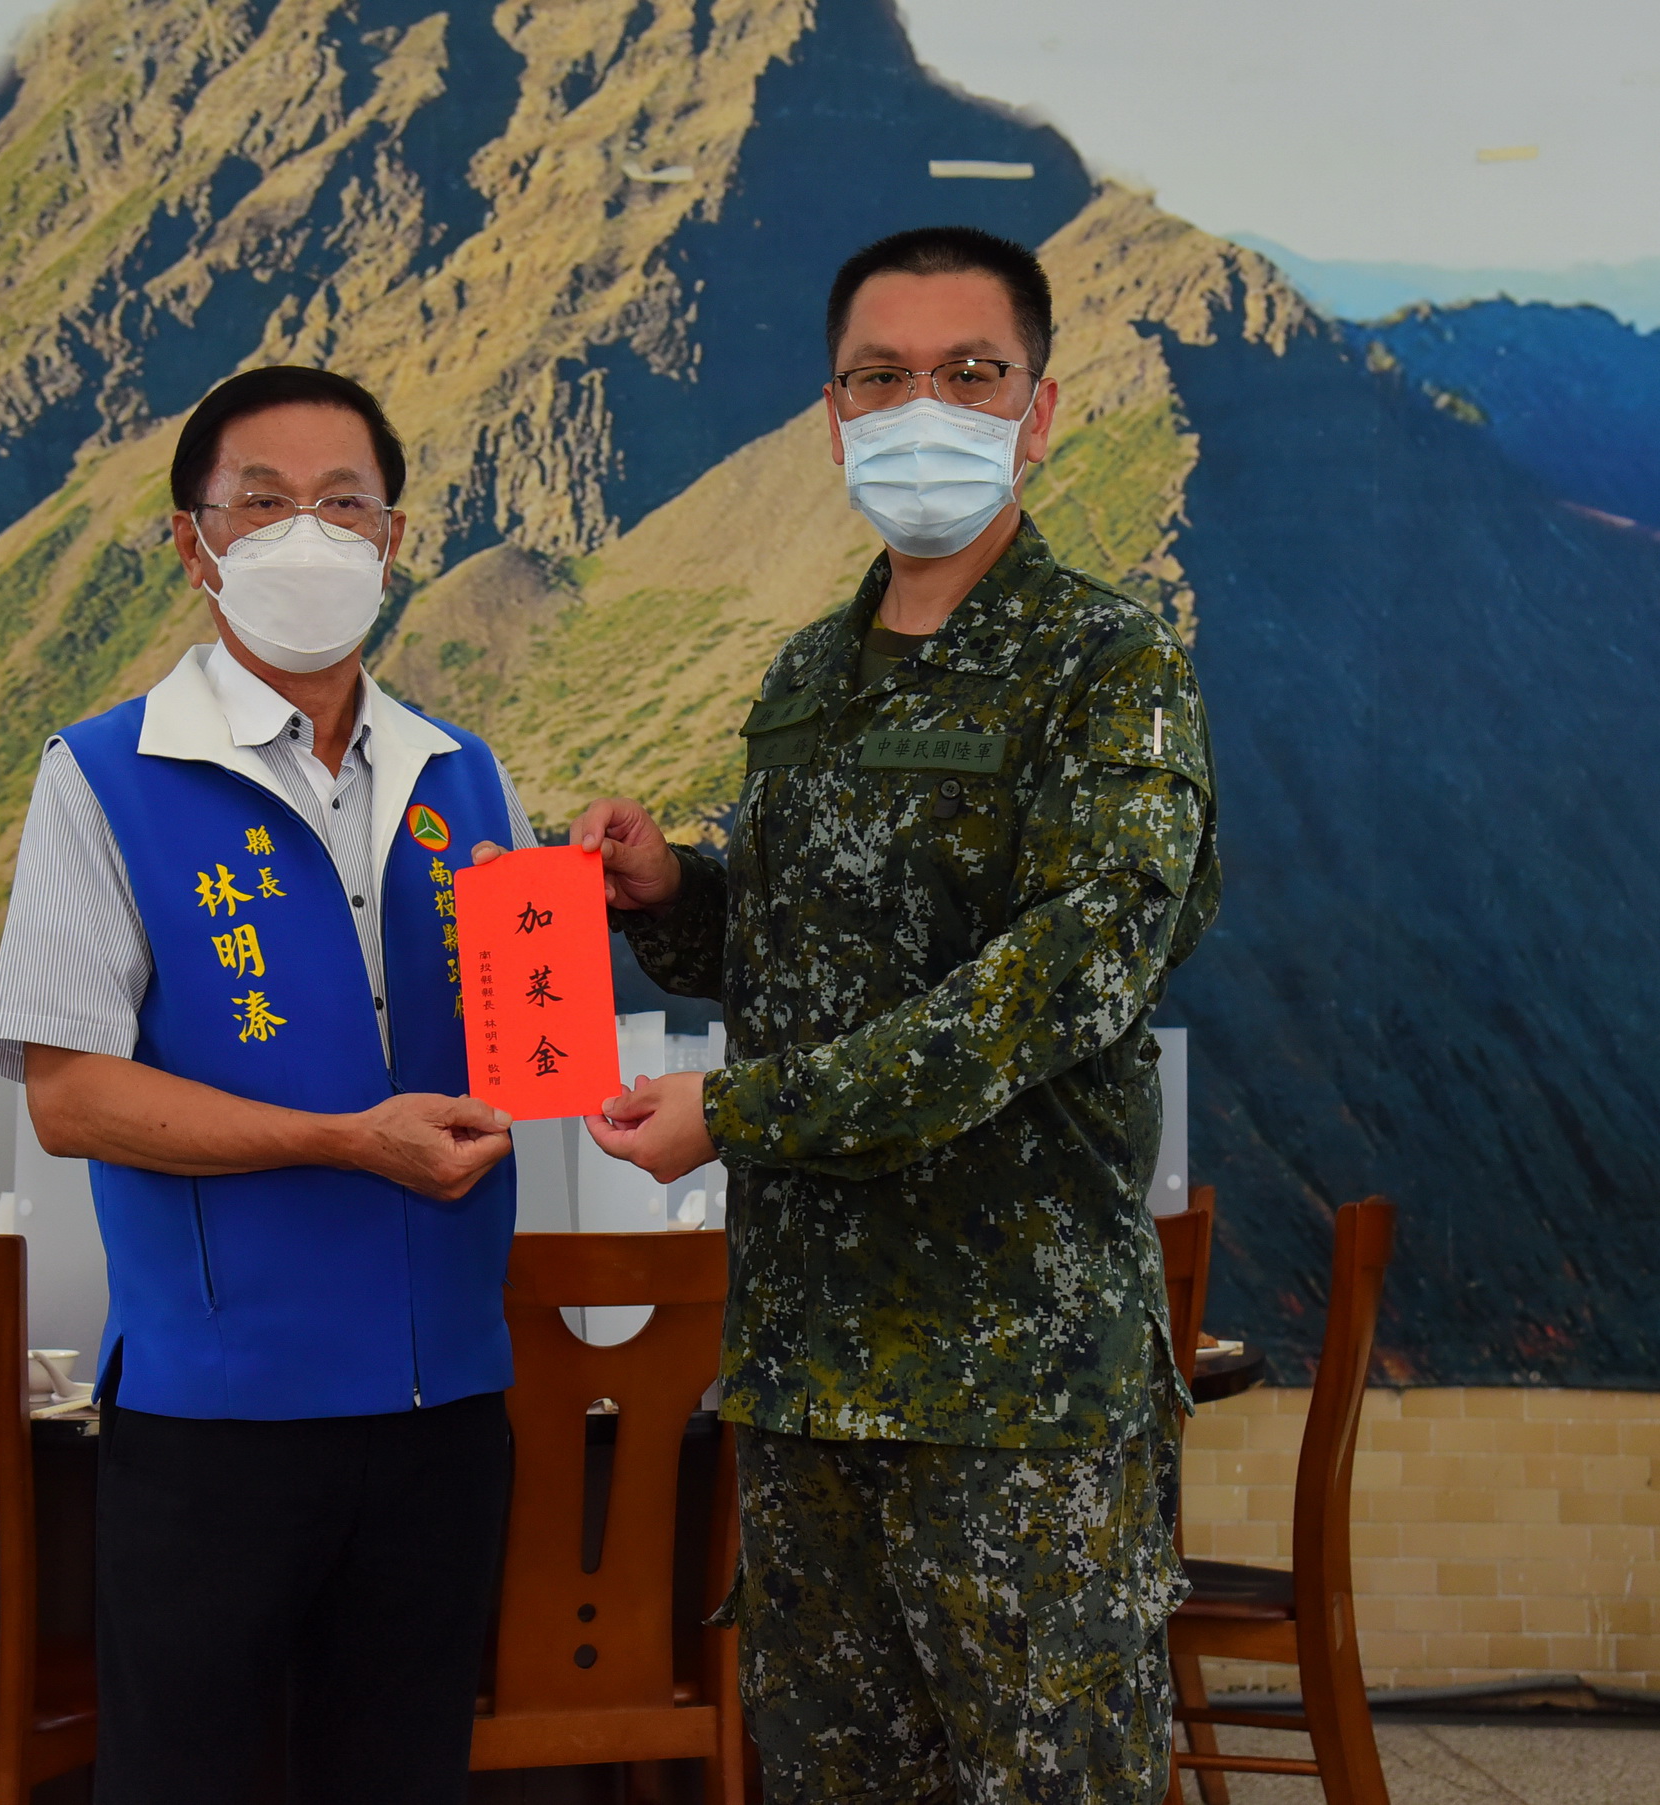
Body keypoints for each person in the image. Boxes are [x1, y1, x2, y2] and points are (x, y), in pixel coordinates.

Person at [522, 227, 1223, 1802]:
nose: (928, 407)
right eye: (883, 377)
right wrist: (674, 893)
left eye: (972, 373)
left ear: (1041, 412)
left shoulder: (1113, 672)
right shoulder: (806, 676)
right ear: (834, 415)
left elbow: (1047, 994)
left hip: (1015, 1399)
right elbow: (796, 948)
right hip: (805, 1381)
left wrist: (737, 1115)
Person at [0, 366, 538, 1803]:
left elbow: (528, 1050)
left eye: (344, 503)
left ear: (396, 539)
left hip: (443, 1409)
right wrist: (345, 1140)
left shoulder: (467, 777)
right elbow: (69, 1094)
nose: (310, 535)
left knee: (404, 1774)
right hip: (220, 1418)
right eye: (265, 502)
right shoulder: (105, 774)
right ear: (194, 542)